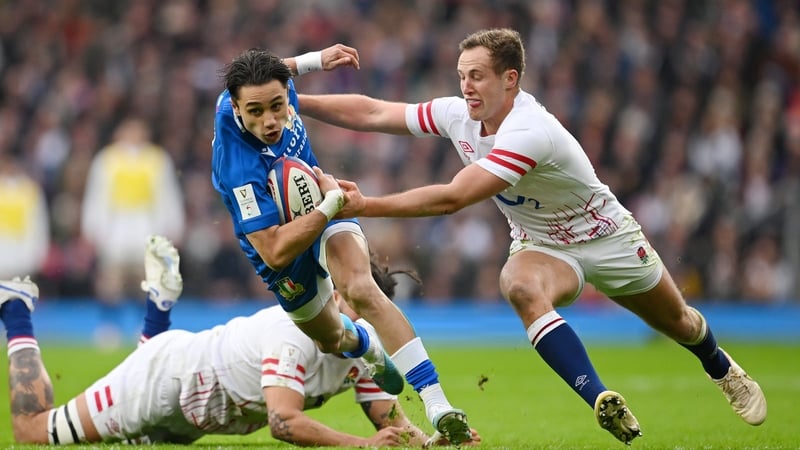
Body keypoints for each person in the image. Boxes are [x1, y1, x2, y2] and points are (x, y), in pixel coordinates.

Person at [297, 28, 768, 445]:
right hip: (542, 245)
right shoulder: (458, 115)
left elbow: (452, 199)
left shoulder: (529, 131)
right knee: (520, 286)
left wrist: (365, 205)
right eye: (462, 75)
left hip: (608, 237)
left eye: (478, 75)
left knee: (681, 324)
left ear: (511, 79)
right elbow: (376, 111)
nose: (466, 86)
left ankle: (720, 367)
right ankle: (599, 396)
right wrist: (297, 104)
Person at [210, 45, 471, 443]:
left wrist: (318, 58)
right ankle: (366, 347)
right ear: (236, 107)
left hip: (318, 202)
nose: (270, 121)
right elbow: (274, 251)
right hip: (284, 241)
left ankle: (437, 404)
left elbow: (284, 68)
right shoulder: (239, 169)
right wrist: (331, 203)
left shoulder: (269, 90)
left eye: (278, 106)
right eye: (257, 112)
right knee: (331, 341)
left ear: (286, 92)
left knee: (361, 289)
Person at [0, 235, 480, 447]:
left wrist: (432, 444)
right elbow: (283, 422)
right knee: (31, 431)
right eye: (347, 299)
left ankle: (158, 308)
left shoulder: (364, 346)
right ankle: (16, 309)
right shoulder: (295, 334)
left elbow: (389, 420)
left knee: (146, 440)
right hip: (162, 382)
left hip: (196, 415)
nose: (350, 313)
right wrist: (361, 446)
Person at [81, 117, 185, 348]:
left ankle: (144, 326)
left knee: (147, 281)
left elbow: (168, 195)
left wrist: (173, 226)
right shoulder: (108, 160)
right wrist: (93, 228)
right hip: (116, 230)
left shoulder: (157, 159)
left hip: (146, 229)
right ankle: (110, 326)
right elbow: (97, 196)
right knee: (111, 281)